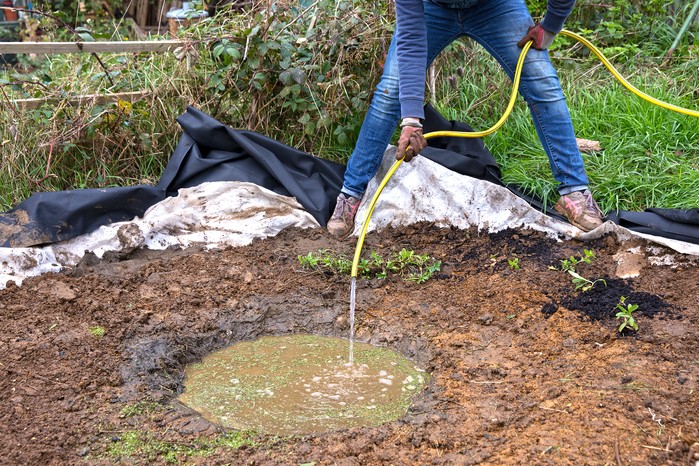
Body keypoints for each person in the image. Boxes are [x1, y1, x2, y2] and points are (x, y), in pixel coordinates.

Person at [327, 0, 604, 237]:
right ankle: (352, 193)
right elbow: (411, 36)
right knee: (390, 93)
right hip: (431, 8)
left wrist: (551, 25)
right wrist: (410, 118)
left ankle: (574, 192)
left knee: (542, 83)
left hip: (496, 6)